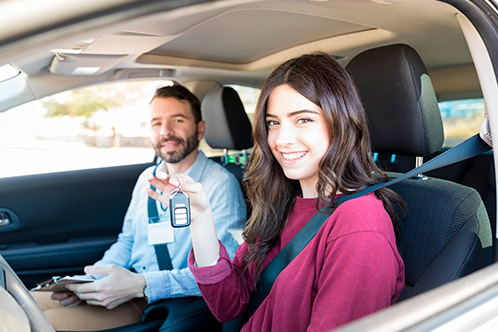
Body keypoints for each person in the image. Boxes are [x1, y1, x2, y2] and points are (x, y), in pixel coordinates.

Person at [147, 53, 405, 332]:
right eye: (273, 123)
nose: (281, 139)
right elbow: (228, 306)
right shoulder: (282, 202)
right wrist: (201, 221)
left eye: (303, 120)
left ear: (339, 121)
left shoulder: (360, 225)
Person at [32, 83, 247, 331]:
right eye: (156, 123)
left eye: (177, 120)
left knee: (35, 324)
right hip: (128, 285)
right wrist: (94, 281)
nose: (166, 131)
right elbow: (128, 241)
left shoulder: (220, 184)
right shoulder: (147, 177)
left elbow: (224, 271)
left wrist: (141, 284)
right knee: (20, 302)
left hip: (161, 301)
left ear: (200, 130)